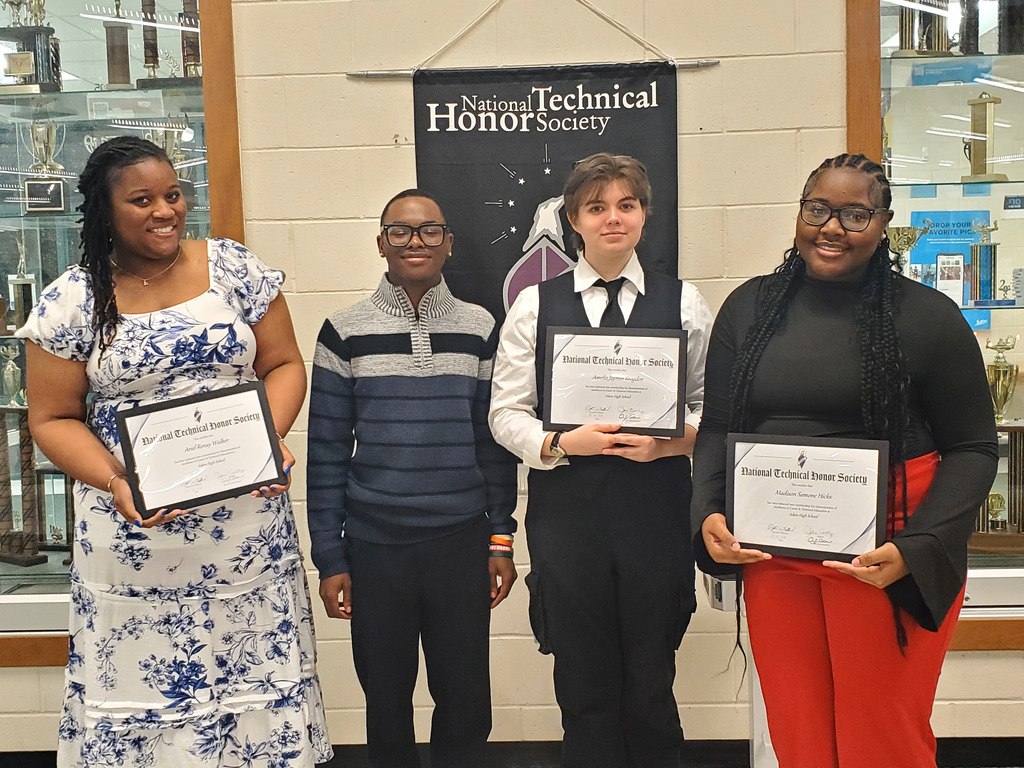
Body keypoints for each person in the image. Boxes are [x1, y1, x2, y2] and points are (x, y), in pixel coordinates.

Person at [17, 136, 332, 768]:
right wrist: (115, 481)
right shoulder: (74, 300)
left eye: (173, 194)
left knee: (256, 696)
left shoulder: (234, 269)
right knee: (141, 703)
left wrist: (263, 442)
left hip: (244, 532)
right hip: (134, 539)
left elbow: (285, 365)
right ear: (105, 212)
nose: (165, 210)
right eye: (142, 200)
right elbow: (50, 419)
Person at [690, 153, 998, 767]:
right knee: (799, 734)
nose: (832, 227)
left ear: (884, 224)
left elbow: (973, 449)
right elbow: (719, 428)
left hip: (886, 553)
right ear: (801, 212)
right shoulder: (748, 309)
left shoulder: (928, 317)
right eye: (818, 209)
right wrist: (707, 513)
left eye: (855, 214)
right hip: (774, 554)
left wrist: (918, 549)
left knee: (879, 739)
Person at [489, 153, 713, 768]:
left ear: (644, 215)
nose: (612, 218)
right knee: (583, 685)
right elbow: (504, 414)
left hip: (655, 516)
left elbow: (711, 409)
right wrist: (561, 444)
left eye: (626, 205)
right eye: (596, 207)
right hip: (569, 521)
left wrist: (669, 443)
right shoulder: (534, 307)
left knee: (650, 682)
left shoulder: (685, 303)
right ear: (573, 220)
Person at [306, 189, 518, 768]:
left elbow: (495, 446)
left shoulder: (479, 328)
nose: (415, 241)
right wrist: (331, 559)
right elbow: (325, 455)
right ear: (381, 244)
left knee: (467, 702)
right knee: (386, 702)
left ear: (449, 243)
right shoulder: (342, 332)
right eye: (400, 231)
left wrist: (501, 539)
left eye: (428, 231)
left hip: (461, 544)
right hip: (375, 549)